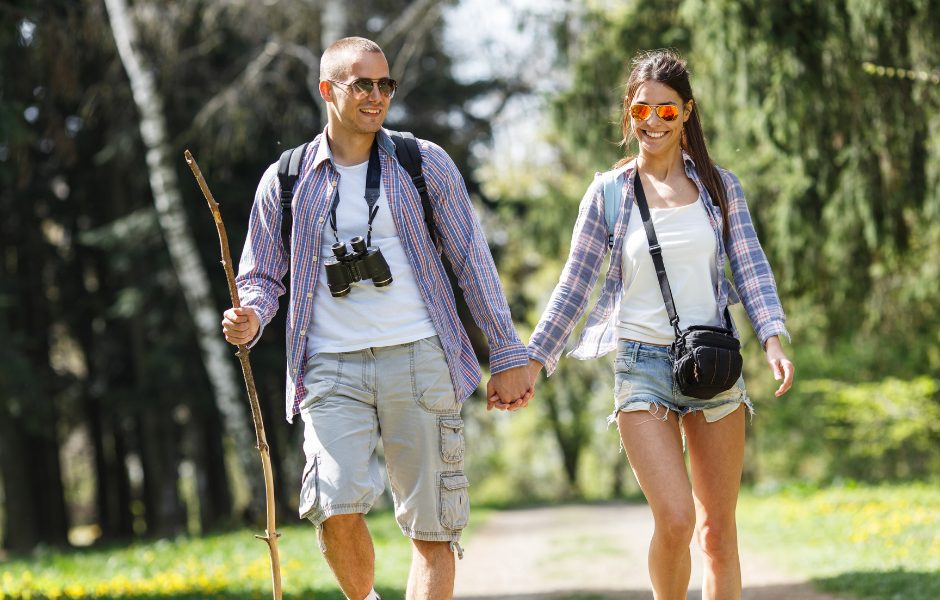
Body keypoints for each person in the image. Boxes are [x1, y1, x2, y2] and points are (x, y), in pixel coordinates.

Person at [222, 36, 532, 600]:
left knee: (433, 529)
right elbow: (262, 277)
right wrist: (253, 316)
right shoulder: (286, 178)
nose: (376, 95)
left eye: (384, 84)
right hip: (329, 368)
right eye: (361, 83)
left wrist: (508, 354)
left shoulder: (422, 162)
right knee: (333, 507)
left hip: (420, 358)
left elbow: (472, 261)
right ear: (327, 90)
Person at [518, 49, 795, 599]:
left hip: (715, 362)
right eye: (641, 110)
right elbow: (575, 285)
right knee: (675, 520)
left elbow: (751, 265)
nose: (652, 122)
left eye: (666, 112)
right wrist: (532, 360)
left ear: (686, 113)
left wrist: (773, 339)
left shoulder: (720, 187)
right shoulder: (609, 193)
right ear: (629, 113)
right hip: (642, 365)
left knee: (718, 533)